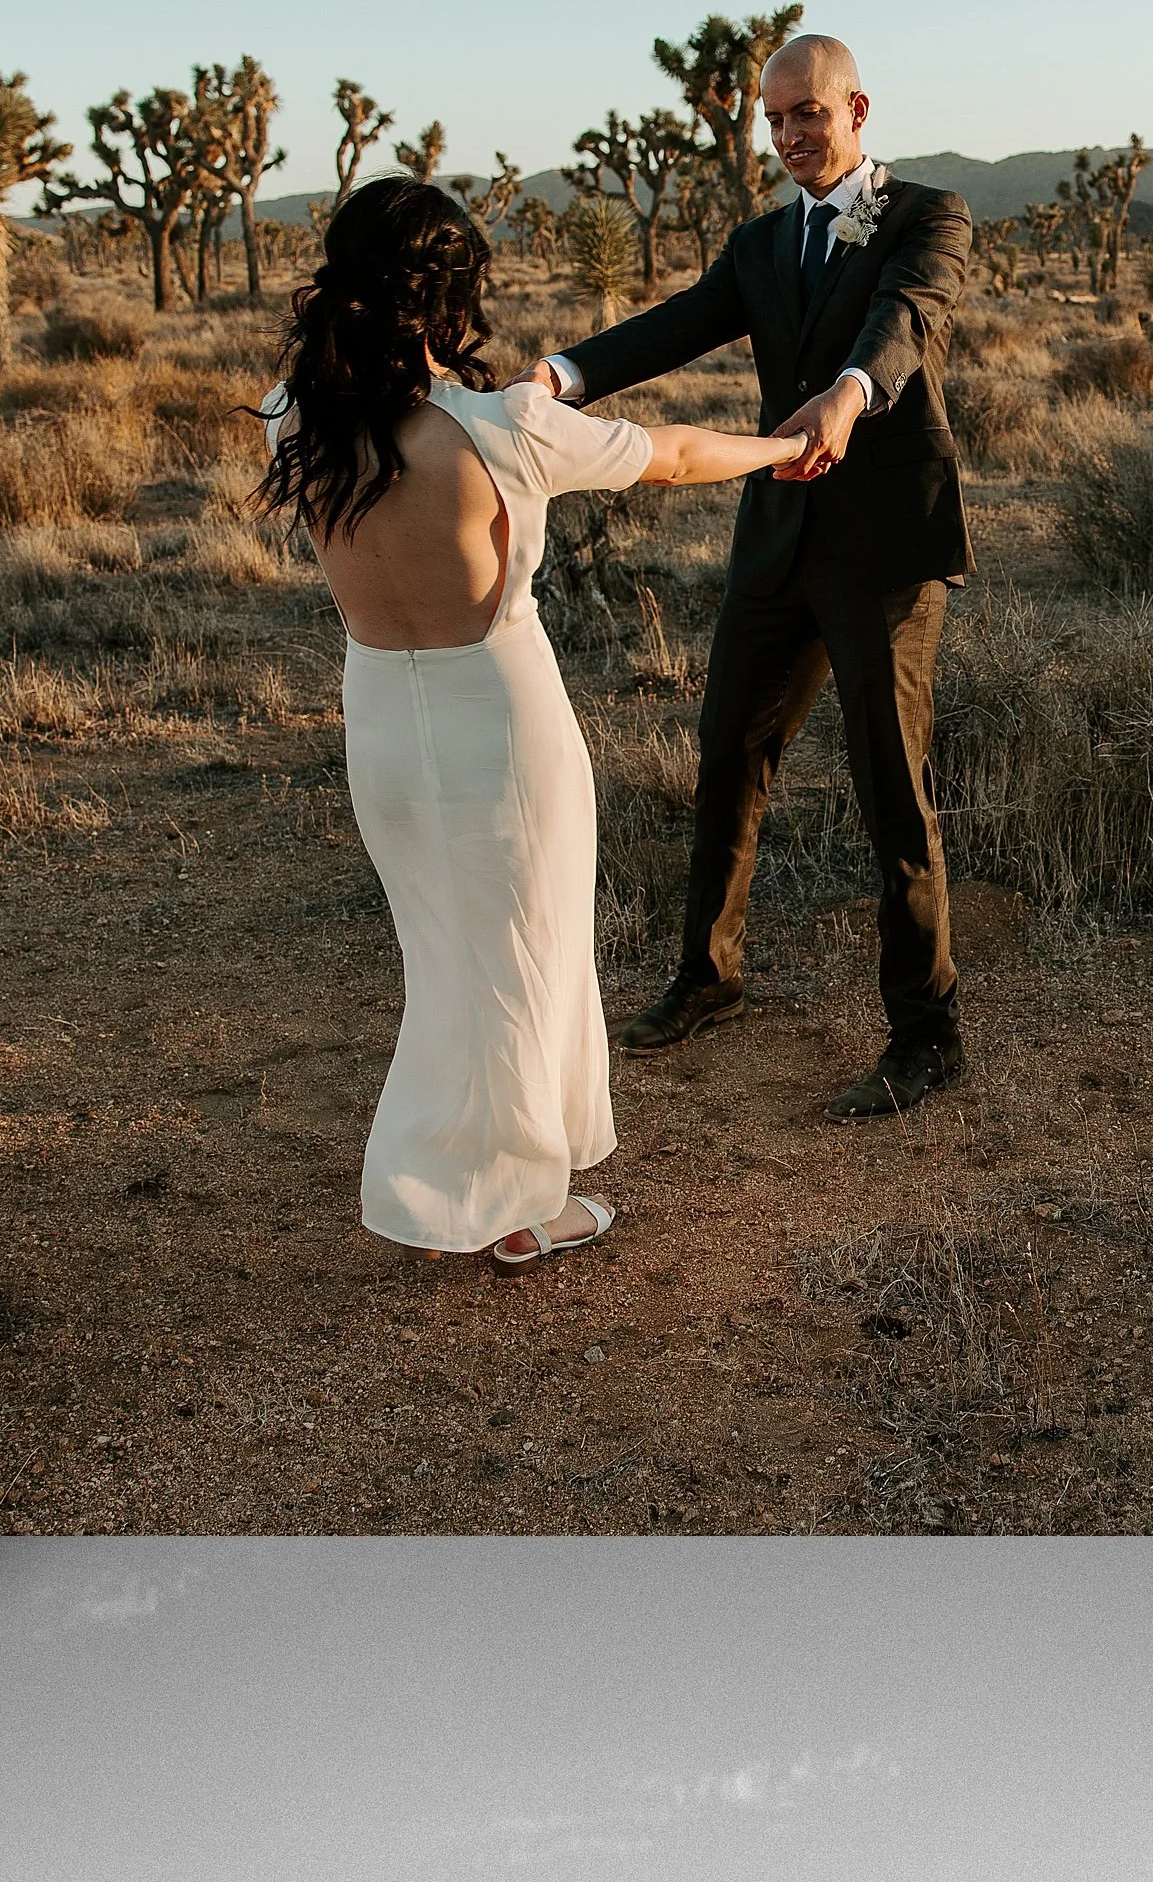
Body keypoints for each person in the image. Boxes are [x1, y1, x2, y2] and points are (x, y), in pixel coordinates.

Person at [264, 176, 794, 1263]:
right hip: (500, 718)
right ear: (448, 296)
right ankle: (513, 1209)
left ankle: (483, 1183)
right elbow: (680, 454)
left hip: (379, 719)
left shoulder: (293, 419)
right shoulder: (502, 428)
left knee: (449, 954)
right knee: (528, 953)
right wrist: (786, 449)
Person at [557, 26, 973, 1116]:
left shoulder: (927, 215)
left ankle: (927, 1035)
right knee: (728, 750)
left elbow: (907, 317)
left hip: (883, 548)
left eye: (809, 115)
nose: (789, 135)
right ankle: (708, 977)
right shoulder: (757, 246)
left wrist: (848, 391)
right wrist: (559, 376)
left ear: (858, 112)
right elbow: (676, 328)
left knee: (893, 786)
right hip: (777, 540)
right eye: (774, 119)